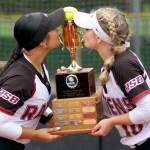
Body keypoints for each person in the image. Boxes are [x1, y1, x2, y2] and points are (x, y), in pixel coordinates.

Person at [74, 7, 150, 150]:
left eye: (87, 29)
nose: (83, 33)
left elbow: (148, 110)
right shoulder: (111, 63)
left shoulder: (124, 65)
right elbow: (119, 107)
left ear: (98, 37)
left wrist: (111, 122)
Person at [0, 8, 66, 150]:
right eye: (53, 28)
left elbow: (32, 103)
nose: (58, 30)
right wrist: (37, 135)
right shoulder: (20, 78)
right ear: (42, 42)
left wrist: (56, 119)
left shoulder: (39, 64)